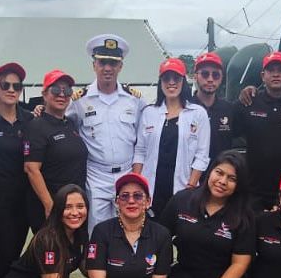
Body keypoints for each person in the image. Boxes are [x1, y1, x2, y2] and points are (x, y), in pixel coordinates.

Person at [161, 151, 255, 278]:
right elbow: (160, 239)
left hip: (226, 276)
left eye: (232, 179)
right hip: (188, 273)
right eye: (219, 173)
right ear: (210, 171)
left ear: (239, 185)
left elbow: (240, 263)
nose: (222, 181)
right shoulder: (183, 199)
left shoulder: (244, 214)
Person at [69, 34, 147, 224]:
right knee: (96, 231)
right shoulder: (80, 100)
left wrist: (135, 176)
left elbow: (141, 143)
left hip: (127, 173)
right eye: (102, 62)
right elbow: (64, 126)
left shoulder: (134, 100)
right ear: (93, 65)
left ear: (120, 66)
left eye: (113, 63)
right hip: (96, 176)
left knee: (129, 228)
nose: (107, 68)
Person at [133, 58, 210, 218]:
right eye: (166, 78)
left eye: (176, 78)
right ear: (160, 82)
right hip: (152, 189)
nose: (171, 83)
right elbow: (140, 151)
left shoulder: (198, 113)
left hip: (182, 189)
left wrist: (190, 187)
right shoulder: (149, 112)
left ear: (184, 81)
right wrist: (136, 184)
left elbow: (202, 156)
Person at [0, 61, 34, 278]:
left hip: (23, 200)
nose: (11, 90)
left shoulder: (29, 119)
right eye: (5, 85)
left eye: (16, 86)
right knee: (2, 255)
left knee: (15, 255)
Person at [238, 51, 281, 210]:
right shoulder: (250, 101)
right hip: (254, 187)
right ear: (263, 75)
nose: (276, 74)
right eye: (271, 70)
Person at [25, 70, 88, 230]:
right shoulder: (36, 126)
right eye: (55, 90)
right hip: (52, 207)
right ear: (44, 94)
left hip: (74, 207)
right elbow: (32, 169)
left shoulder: (70, 123)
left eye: (66, 91)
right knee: (51, 252)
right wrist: (50, 206)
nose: (62, 94)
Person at [192, 51, 241, 156]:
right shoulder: (184, 108)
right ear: (195, 77)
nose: (210, 79)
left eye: (216, 75)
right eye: (205, 74)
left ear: (221, 78)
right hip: (190, 172)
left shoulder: (229, 109)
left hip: (220, 171)